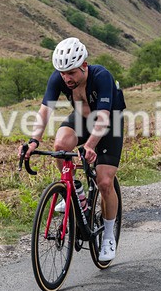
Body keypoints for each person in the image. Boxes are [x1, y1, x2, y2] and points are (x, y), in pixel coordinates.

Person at [19, 37, 126, 261]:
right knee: (60, 145)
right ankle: (74, 190)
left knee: (105, 182)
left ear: (84, 66)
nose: (66, 78)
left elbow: (104, 117)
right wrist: (33, 141)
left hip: (109, 123)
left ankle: (108, 236)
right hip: (82, 119)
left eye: (71, 73)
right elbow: (44, 112)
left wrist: (89, 146)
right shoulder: (59, 78)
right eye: (62, 73)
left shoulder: (101, 76)